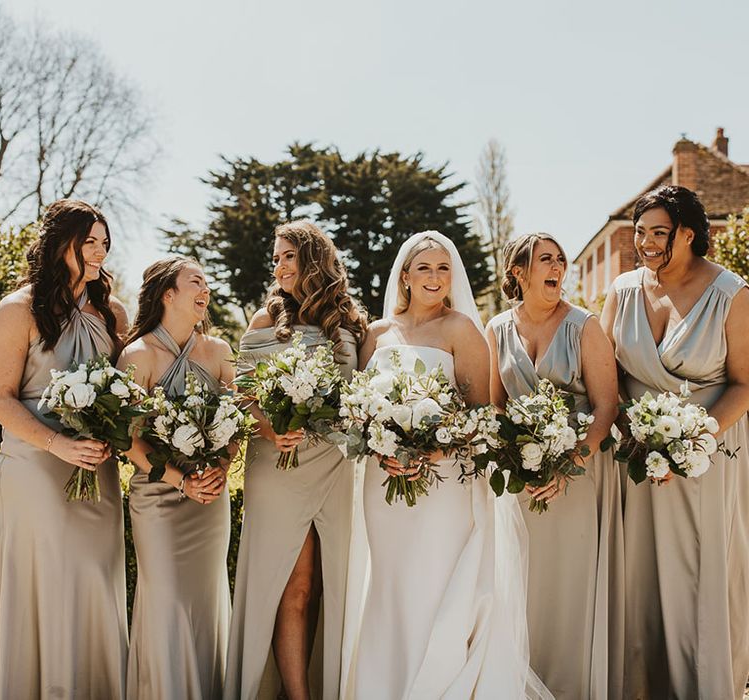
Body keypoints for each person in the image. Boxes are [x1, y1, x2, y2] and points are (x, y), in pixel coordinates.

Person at [341, 230, 551, 699]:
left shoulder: (461, 330)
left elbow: (481, 412)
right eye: (425, 268)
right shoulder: (376, 335)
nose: (435, 277)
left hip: (444, 483)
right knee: (392, 585)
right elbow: (356, 409)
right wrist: (382, 449)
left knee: (435, 583)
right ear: (406, 277)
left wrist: (434, 450)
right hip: (384, 483)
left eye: (443, 268)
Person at [600, 185, 749, 698]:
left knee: (700, 569)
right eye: (640, 232)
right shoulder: (620, 292)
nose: (646, 243)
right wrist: (628, 434)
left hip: (710, 452)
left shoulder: (731, 293)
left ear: (689, 234)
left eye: (659, 233)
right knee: (637, 572)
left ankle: (704, 684)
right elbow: (606, 379)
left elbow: (745, 384)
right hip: (636, 455)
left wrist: (692, 442)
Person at [0, 199, 129, 699]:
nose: (99, 252)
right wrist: (57, 444)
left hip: (97, 469)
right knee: (49, 577)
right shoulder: (17, 309)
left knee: (94, 577)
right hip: (36, 466)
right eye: (89, 241)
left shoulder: (113, 313)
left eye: (104, 243)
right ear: (59, 243)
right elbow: (0, 400)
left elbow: (128, 391)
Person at [224, 220, 367, 700]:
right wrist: (271, 427)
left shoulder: (349, 322)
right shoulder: (266, 322)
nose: (279, 265)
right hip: (278, 460)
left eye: (288, 256)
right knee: (294, 584)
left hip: (335, 461)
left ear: (313, 260)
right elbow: (243, 391)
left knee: (336, 582)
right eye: (277, 257)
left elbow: (363, 392)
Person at [487, 232, 623, 699]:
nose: (558, 268)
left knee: (570, 588)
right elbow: (497, 406)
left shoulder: (584, 326)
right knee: (524, 589)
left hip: (578, 476)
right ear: (519, 273)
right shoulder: (497, 329)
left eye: (560, 260)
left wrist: (568, 465)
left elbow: (607, 408)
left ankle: (572, 688)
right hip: (520, 480)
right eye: (546, 260)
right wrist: (514, 460)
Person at [118, 256, 234, 700]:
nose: (205, 290)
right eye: (195, 282)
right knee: (165, 602)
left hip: (210, 498)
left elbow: (235, 423)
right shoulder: (138, 354)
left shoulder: (220, 351)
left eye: (206, 283)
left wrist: (219, 471)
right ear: (168, 294)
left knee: (206, 602)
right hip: (158, 499)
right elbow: (127, 441)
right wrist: (179, 481)